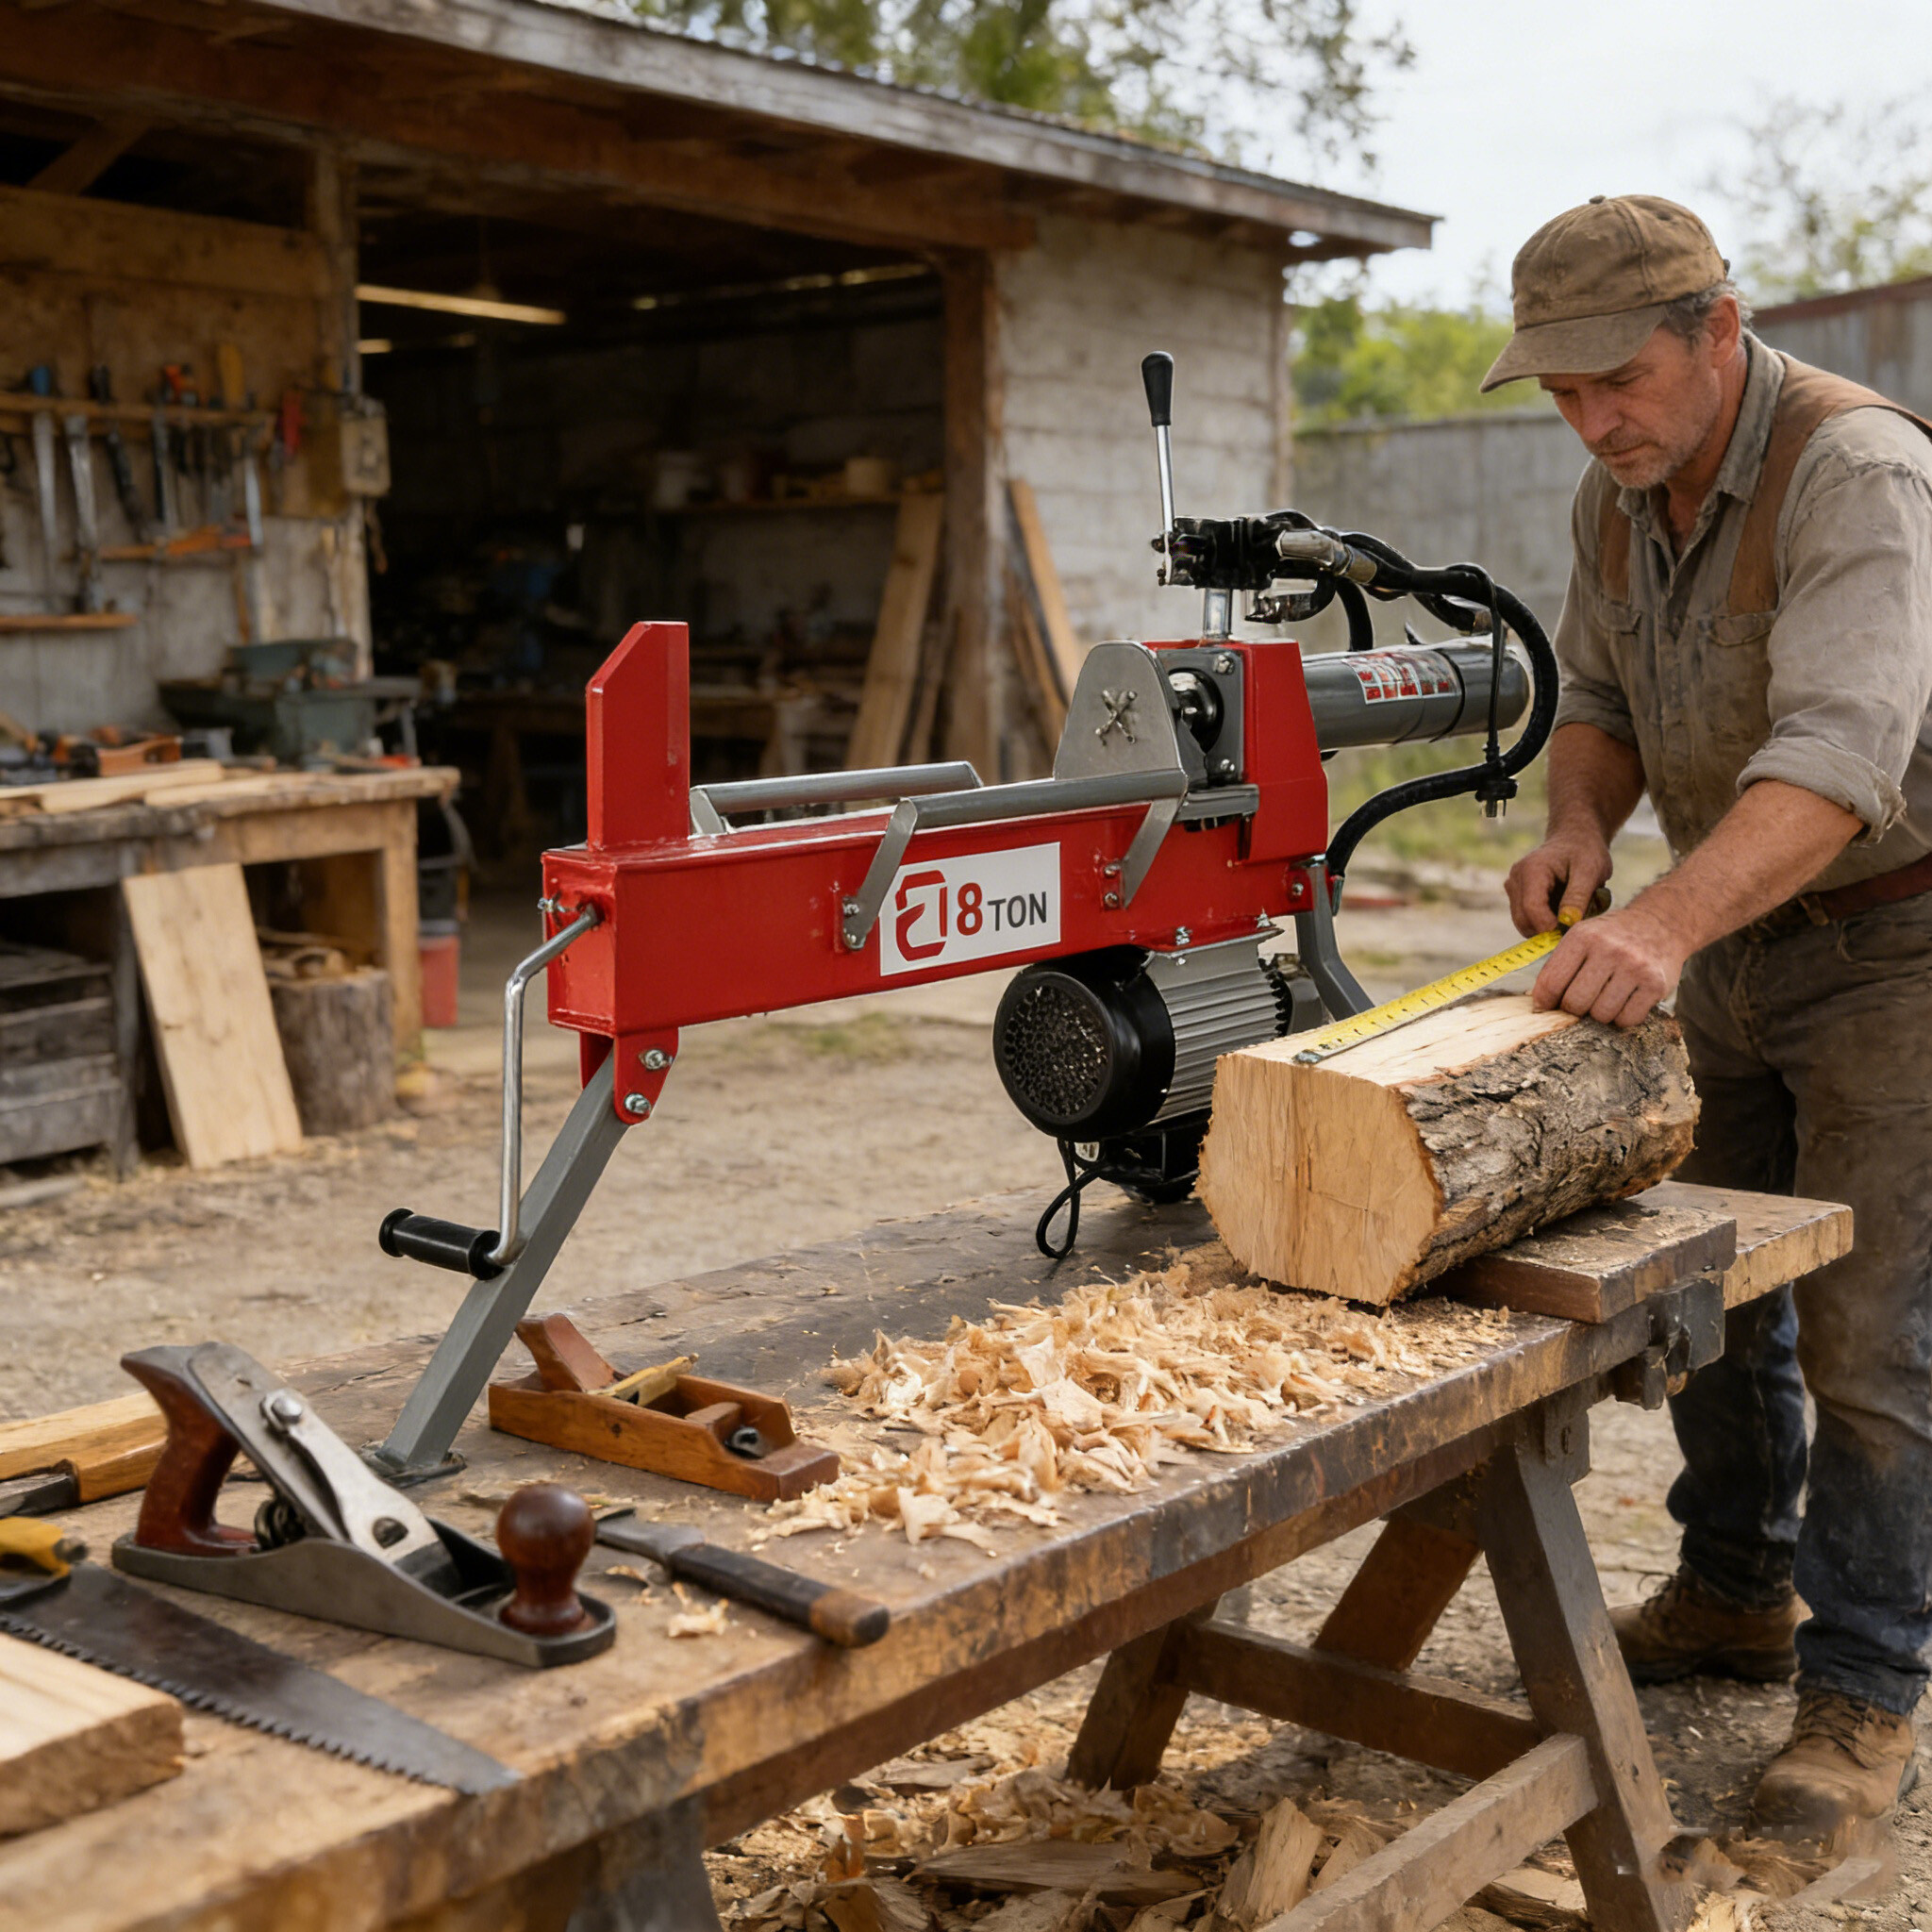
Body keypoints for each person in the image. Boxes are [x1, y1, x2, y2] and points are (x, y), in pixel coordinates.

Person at [1483, 193, 1932, 1854]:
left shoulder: (1857, 470)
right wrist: (1584, 833)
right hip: (1733, 939)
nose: (1594, 420)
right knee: (1712, 1290)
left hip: (1897, 943)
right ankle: (1739, 1589)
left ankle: (1868, 1693)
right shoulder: (1621, 498)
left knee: (1876, 1326)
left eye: (1619, 380)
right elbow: (1596, 702)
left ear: (1717, 331)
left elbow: (1840, 754)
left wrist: (1661, 922)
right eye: (1562, 392)